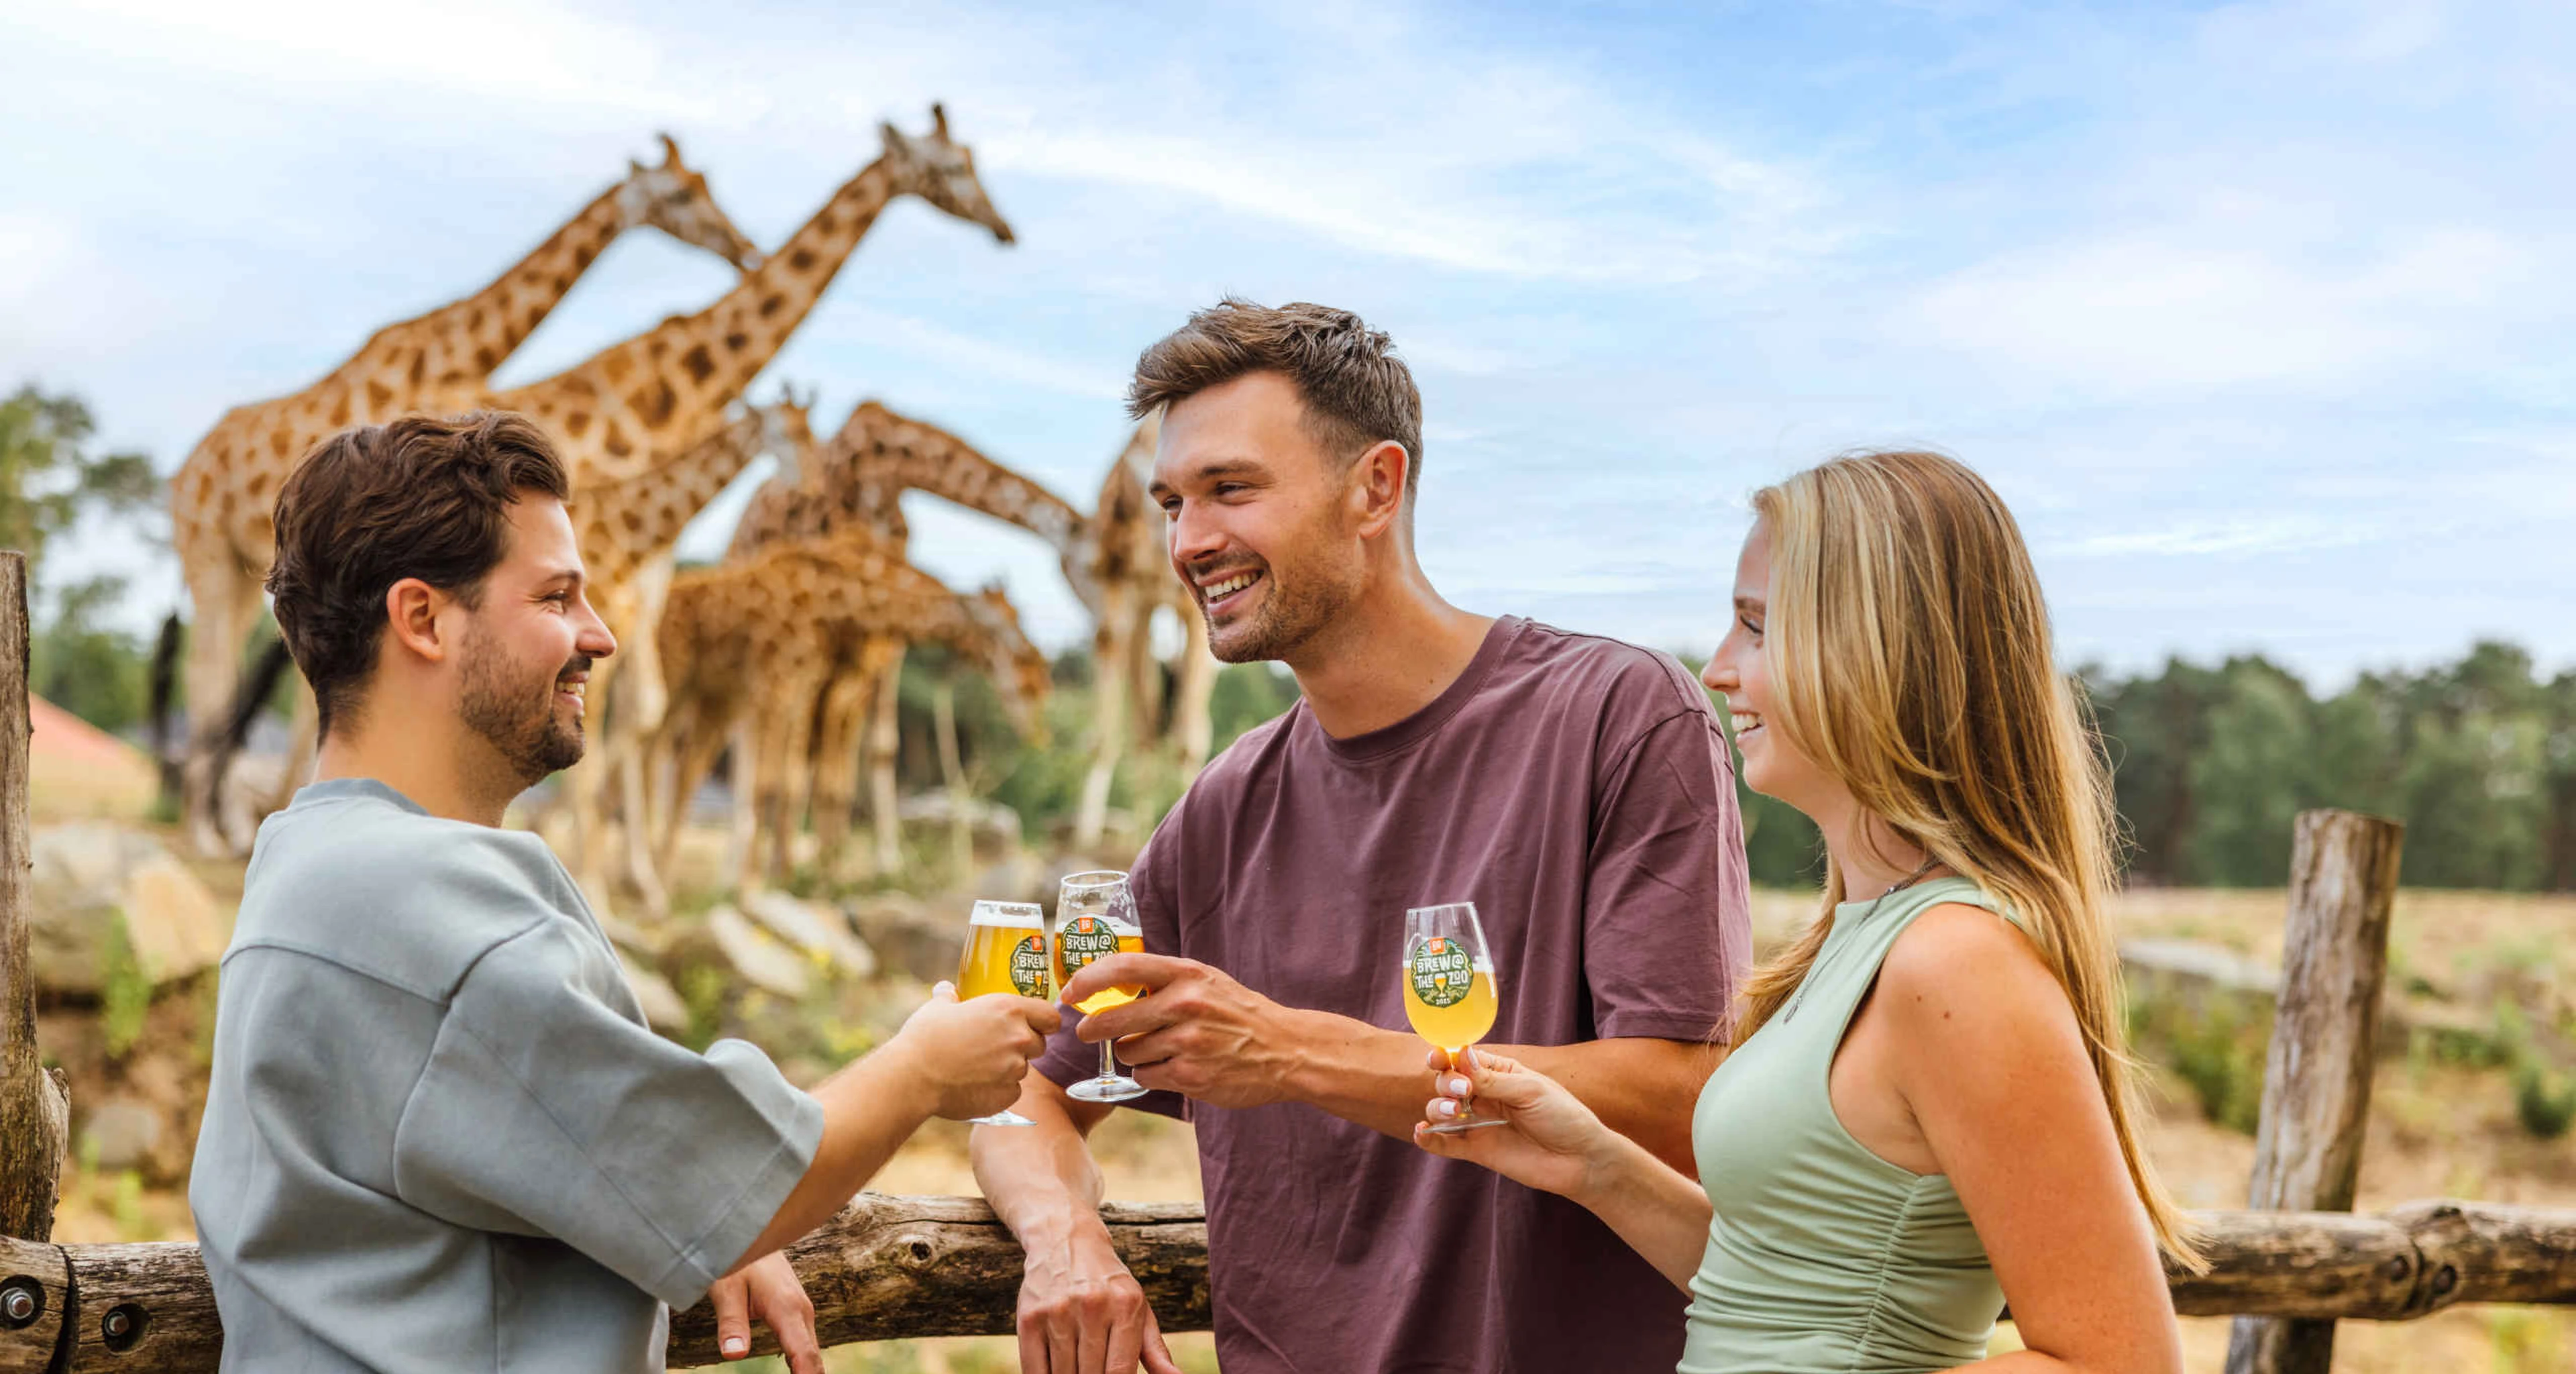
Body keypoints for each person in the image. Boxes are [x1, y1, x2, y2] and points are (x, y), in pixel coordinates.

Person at [971, 300, 1754, 1374]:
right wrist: (1065, 1242)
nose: (1189, 542)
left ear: (1374, 488)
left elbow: (1683, 1102)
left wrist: (1292, 1054)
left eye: (1231, 490)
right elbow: (1021, 1088)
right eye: (1172, 503)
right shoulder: (1225, 806)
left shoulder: (1618, 714)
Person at [188, 412, 1060, 1374]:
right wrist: (922, 1071)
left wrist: (655, 1239)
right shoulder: (430, 906)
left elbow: (507, 1150)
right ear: (423, 619)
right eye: (557, 598)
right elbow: (732, 1189)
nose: (598, 636)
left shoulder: (308, 861)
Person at [1414, 450, 2204, 1373]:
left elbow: (2123, 1362)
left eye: (1755, 627)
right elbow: (1786, 1300)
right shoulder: (1859, 938)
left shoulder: (1955, 962)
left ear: (1873, 648)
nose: (1716, 669)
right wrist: (1597, 1165)